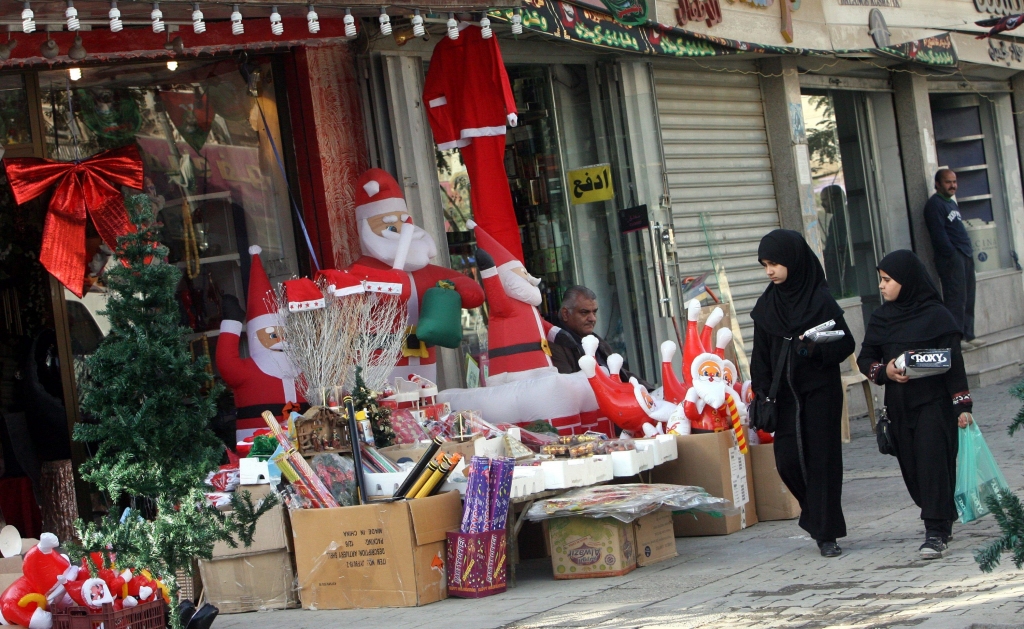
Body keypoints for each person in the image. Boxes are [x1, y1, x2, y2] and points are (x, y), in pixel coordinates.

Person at [857, 250, 973, 560]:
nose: (881, 286)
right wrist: (885, 371)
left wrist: (962, 407)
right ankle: (941, 512)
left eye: (887, 280)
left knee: (932, 461)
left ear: (906, 282)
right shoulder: (882, 318)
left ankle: (935, 531)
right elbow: (865, 358)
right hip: (900, 406)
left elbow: (955, 365)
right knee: (914, 470)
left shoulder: (938, 316)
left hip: (934, 405)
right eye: (880, 280)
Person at [750, 229, 855, 558]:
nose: (770, 271)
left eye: (775, 263)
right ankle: (816, 517)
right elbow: (760, 355)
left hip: (820, 393)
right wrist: (762, 389)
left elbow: (846, 343)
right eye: (766, 265)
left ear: (793, 262)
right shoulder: (767, 306)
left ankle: (827, 534)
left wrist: (814, 351)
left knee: (822, 461)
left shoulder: (820, 300)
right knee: (788, 461)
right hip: (784, 397)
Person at [548, 285, 651, 388]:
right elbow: (570, 389)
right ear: (566, 314)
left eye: (594, 312)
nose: (592, 318)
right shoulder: (555, 345)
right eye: (584, 312)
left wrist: (651, 392)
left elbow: (621, 374)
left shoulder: (595, 340)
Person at [924, 169, 979, 348]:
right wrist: (952, 254)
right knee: (956, 298)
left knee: (968, 296)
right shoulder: (935, 205)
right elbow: (939, 235)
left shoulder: (951, 203)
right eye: (948, 182)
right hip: (951, 258)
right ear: (938, 184)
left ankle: (968, 334)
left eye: (954, 182)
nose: (953, 185)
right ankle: (956, 339)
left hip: (965, 254)